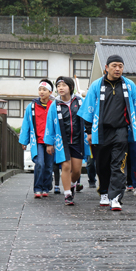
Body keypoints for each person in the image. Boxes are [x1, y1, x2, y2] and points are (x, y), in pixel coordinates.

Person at [77, 54, 136, 211]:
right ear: (106, 68)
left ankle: (116, 198)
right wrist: (88, 131)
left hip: (121, 130)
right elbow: (88, 110)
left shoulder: (129, 85)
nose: (117, 69)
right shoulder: (96, 85)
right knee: (102, 164)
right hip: (100, 131)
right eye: (114, 65)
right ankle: (104, 192)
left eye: (120, 66)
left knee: (118, 165)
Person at [44, 76, 89, 205]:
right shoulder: (55, 105)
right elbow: (49, 125)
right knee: (65, 166)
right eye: (58, 86)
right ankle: (68, 194)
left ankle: (73, 184)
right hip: (61, 142)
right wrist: (49, 143)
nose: (61, 88)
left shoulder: (80, 102)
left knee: (76, 171)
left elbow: (88, 118)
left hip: (78, 140)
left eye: (63, 85)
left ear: (71, 87)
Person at [19, 79, 55, 198]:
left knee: (49, 166)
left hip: (51, 140)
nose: (41, 92)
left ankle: (46, 187)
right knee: (40, 163)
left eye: (44, 90)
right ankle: (38, 188)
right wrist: (24, 141)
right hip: (38, 141)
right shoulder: (32, 106)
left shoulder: (54, 105)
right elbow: (26, 124)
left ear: (50, 92)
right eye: (40, 89)